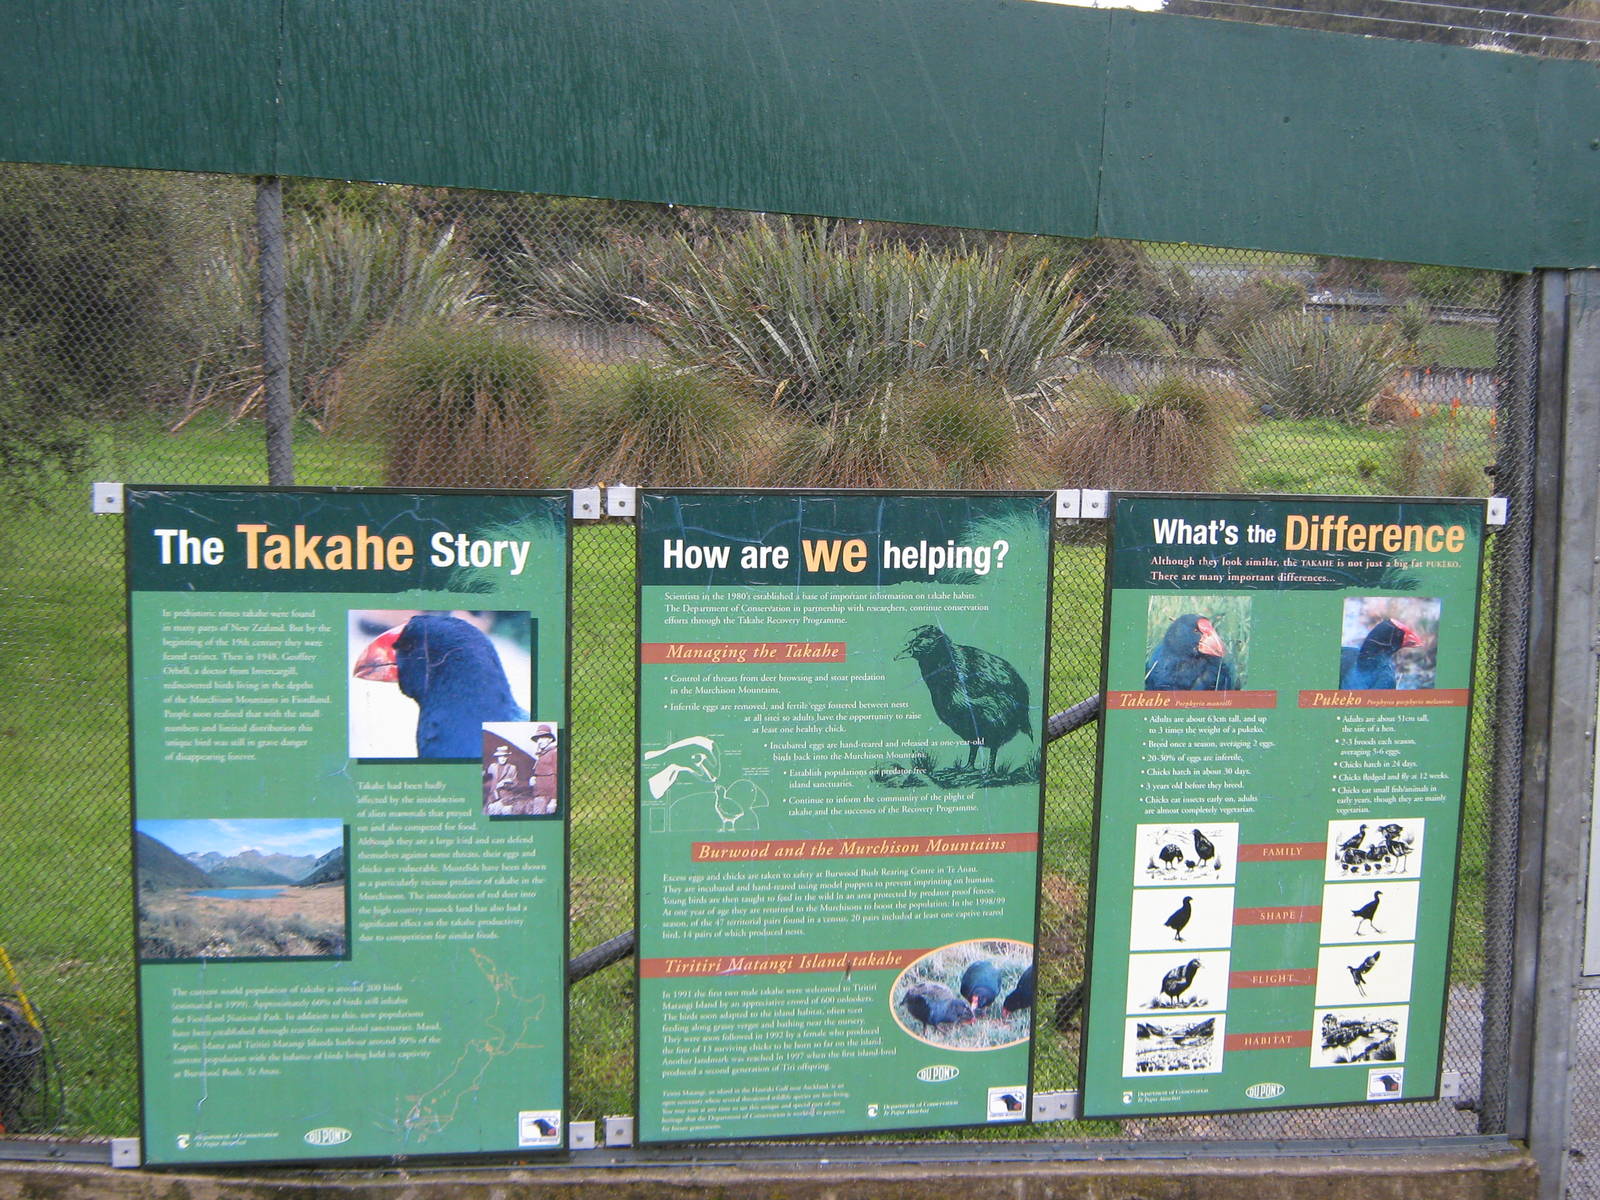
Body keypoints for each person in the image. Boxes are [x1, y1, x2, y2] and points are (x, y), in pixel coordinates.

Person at [530, 725, 559, 815]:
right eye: (538, 739)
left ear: (550, 739)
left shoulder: (554, 752)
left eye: (543, 738)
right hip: (539, 795)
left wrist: (554, 799)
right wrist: (534, 777)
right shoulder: (541, 754)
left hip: (548, 796)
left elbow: (557, 776)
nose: (539, 741)